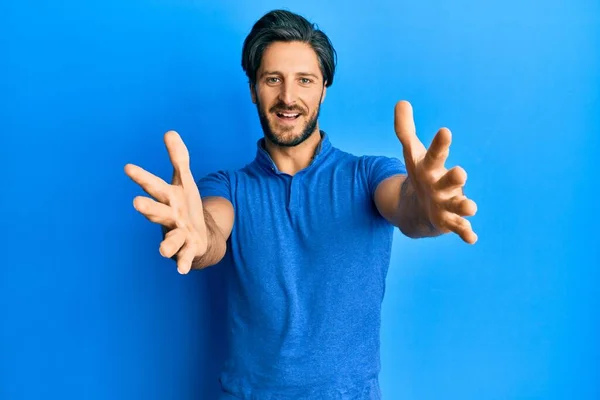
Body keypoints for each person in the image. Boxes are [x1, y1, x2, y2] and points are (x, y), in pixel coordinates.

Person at [124, 9, 478, 400]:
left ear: (324, 88)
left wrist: (427, 210)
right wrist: (189, 234)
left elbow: (407, 209)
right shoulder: (228, 187)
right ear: (253, 89)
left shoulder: (368, 175)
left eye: (304, 81)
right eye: (272, 79)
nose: (288, 97)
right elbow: (209, 232)